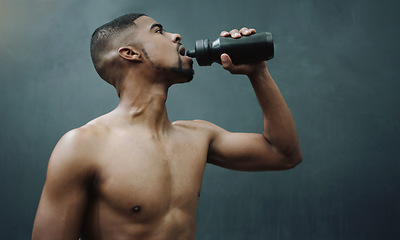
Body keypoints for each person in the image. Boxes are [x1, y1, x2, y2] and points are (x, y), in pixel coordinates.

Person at [32, 13, 302, 240]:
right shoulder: (83, 146)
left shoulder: (198, 136)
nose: (176, 36)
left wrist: (258, 73)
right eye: (158, 31)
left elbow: (283, 153)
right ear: (130, 53)